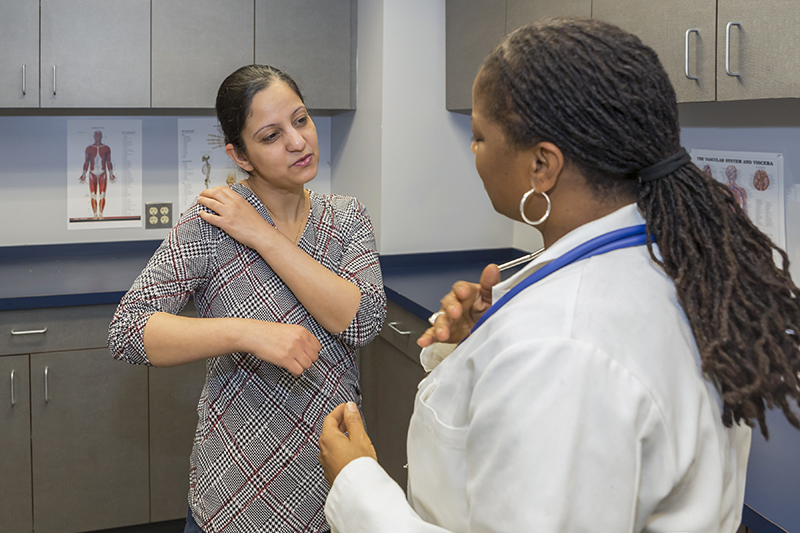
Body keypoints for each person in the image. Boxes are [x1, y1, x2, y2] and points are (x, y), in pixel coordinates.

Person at [318, 18, 800, 533]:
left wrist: (359, 485)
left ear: (542, 167)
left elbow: (558, 367)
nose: (474, 153)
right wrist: (479, 346)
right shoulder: (680, 263)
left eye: (480, 137)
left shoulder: (558, 341)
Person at [108, 65, 386, 533]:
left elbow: (362, 322)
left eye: (301, 120)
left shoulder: (346, 218)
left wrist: (263, 236)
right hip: (236, 497)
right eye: (271, 135)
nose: (297, 142)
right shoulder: (212, 223)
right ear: (241, 156)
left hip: (334, 489)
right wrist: (248, 333)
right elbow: (128, 331)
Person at [79, 129, 116, 220]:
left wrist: (111, 174)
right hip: (92, 174)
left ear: (101, 137)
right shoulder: (89, 148)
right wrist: (83, 174)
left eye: (99, 136)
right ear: (94, 137)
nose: (98, 138)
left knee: (102, 194)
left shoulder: (106, 148)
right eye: (96, 136)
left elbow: (108, 162)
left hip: (103, 173)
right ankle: (95, 214)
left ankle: (101, 213)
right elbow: (86, 162)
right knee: (93, 195)